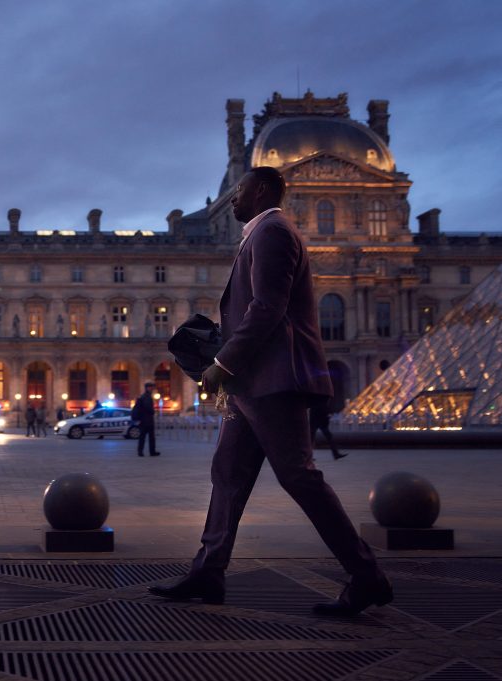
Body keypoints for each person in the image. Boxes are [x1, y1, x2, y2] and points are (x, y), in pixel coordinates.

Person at [149, 167, 391, 616]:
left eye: (238, 191)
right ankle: (209, 569)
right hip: (254, 383)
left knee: (299, 476)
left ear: (260, 190)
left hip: (273, 381)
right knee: (227, 472)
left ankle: (366, 576)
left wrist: (223, 363)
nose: (232, 200)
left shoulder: (273, 231)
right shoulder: (262, 234)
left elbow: (268, 307)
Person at [132, 381, 160, 457]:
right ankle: (150, 452)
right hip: (147, 420)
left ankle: (143, 451)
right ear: (147, 388)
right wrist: (153, 411)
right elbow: (148, 408)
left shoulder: (143, 396)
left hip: (144, 420)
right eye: (151, 387)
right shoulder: (146, 397)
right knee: (148, 437)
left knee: (144, 437)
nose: (152, 389)